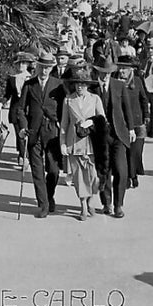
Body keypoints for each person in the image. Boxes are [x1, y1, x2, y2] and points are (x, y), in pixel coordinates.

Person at [14, 51, 63, 218]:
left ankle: (49, 196)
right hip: (33, 132)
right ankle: (43, 204)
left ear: (51, 68)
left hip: (52, 132)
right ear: (38, 67)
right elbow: (21, 109)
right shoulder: (29, 84)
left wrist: (61, 123)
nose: (44, 71)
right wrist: (23, 127)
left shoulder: (58, 84)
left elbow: (64, 108)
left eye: (48, 68)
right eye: (42, 67)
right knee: (37, 170)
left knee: (54, 170)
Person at [58, 68, 106, 221]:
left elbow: (102, 119)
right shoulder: (68, 100)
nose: (80, 87)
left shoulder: (95, 99)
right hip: (75, 142)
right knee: (79, 177)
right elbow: (64, 124)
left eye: (83, 84)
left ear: (88, 85)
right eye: (77, 84)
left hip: (92, 142)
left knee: (94, 178)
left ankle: (91, 199)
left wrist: (91, 121)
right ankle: (83, 207)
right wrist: (63, 144)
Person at [97, 59, 137, 218]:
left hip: (118, 134)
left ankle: (118, 204)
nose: (105, 76)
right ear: (98, 72)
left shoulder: (119, 86)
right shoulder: (93, 88)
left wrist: (131, 128)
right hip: (100, 136)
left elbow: (127, 108)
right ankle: (106, 203)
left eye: (107, 73)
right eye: (102, 73)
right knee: (103, 171)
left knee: (121, 170)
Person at [117, 46, 152, 184]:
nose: (121, 71)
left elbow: (144, 99)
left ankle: (133, 174)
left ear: (131, 69)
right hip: (122, 122)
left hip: (138, 122)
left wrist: (146, 116)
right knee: (124, 153)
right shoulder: (116, 82)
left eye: (124, 68)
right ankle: (126, 178)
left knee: (135, 152)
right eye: (120, 68)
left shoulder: (137, 81)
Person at [2, 51, 35, 171]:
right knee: (20, 134)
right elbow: (8, 94)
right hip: (16, 109)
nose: (20, 66)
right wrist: (2, 102)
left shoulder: (32, 78)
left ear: (27, 64)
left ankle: (29, 155)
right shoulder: (12, 79)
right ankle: (23, 157)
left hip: (29, 110)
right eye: (18, 64)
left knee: (29, 134)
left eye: (23, 63)